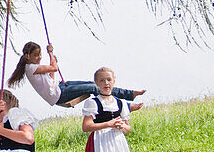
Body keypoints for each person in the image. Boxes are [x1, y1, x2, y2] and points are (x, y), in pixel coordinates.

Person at [8, 41, 145, 109]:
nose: (38, 57)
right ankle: (126, 101)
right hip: (58, 95)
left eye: (40, 55)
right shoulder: (31, 67)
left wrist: (52, 61)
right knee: (94, 88)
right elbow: (54, 68)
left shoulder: (33, 67)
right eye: (36, 55)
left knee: (91, 84)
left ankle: (129, 94)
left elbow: (51, 76)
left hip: (58, 88)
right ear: (27, 56)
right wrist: (50, 53)